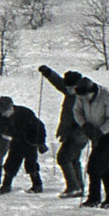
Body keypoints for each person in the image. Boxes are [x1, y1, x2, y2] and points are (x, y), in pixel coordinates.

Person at [38, 65, 87, 199]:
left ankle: (73, 187)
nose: (68, 89)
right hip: (72, 134)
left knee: (63, 158)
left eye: (71, 87)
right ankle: (79, 188)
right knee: (73, 160)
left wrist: (76, 133)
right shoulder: (70, 93)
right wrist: (48, 73)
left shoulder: (83, 97)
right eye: (67, 87)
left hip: (78, 135)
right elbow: (59, 83)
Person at [0, 96, 47, 194]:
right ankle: (6, 186)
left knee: (31, 164)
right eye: (2, 111)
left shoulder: (25, 113)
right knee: (10, 163)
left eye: (5, 111)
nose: (4, 114)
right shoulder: (1, 116)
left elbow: (40, 127)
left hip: (30, 141)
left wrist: (41, 143)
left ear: (11, 107)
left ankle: (37, 185)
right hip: (17, 141)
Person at [73, 77, 109, 208]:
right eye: (81, 97)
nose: (84, 99)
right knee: (103, 165)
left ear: (92, 91)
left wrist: (100, 131)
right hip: (94, 133)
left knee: (94, 165)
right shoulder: (81, 96)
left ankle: (94, 198)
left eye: (86, 96)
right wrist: (85, 125)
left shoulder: (108, 96)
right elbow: (77, 111)